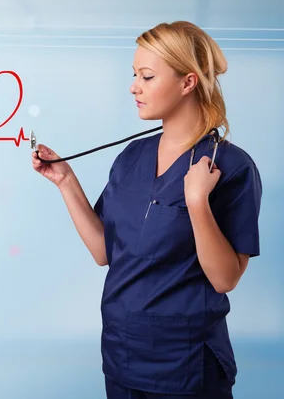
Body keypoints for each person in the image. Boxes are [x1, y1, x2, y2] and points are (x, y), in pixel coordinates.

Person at [32, 20, 262, 399]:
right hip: (122, 355)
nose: (133, 86)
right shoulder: (131, 158)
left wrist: (197, 203)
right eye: (134, 74)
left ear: (188, 82)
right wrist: (65, 181)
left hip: (186, 366)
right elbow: (104, 252)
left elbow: (225, 279)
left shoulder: (230, 168)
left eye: (147, 76)